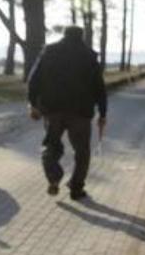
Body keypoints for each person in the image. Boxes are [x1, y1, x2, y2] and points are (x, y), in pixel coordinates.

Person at [27, 26, 107, 200]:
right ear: (82, 36)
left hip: (52, 110)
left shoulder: (48, 52)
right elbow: (99, 88)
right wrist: (103, 113)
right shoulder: (89, 56)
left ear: (64, 35)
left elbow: (33, 79)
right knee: (82, 152)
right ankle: (76, 189)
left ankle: (54, 176)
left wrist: (32, 104)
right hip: (81, 112)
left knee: (51, 145)